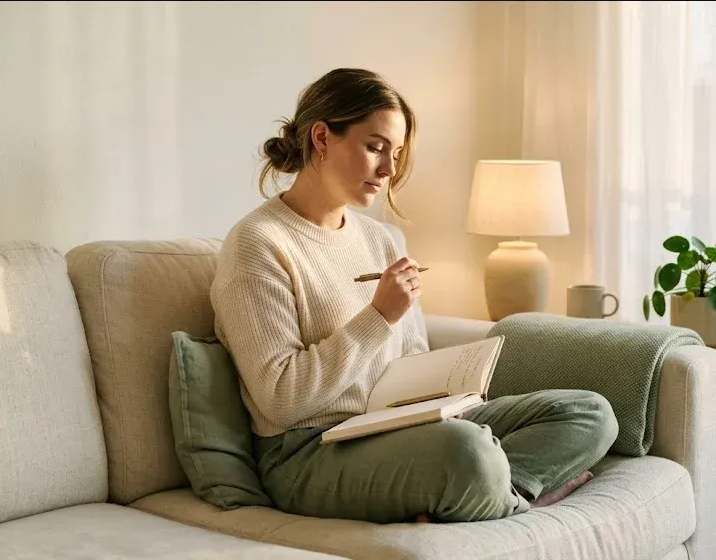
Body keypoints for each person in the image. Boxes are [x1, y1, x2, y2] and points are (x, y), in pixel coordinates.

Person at [210, 68, 618, 524]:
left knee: (589, 413)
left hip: (392, 428)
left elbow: (411, 358)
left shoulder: (382, 239)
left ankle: (500, 492)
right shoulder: (258, 244)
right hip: (307, 453)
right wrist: (378, 316)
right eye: (375, 147)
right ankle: (508, 494)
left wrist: (448, 398)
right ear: (322, 137)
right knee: (467, 451)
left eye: (396, 153)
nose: (388, 170)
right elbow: (282, 399)